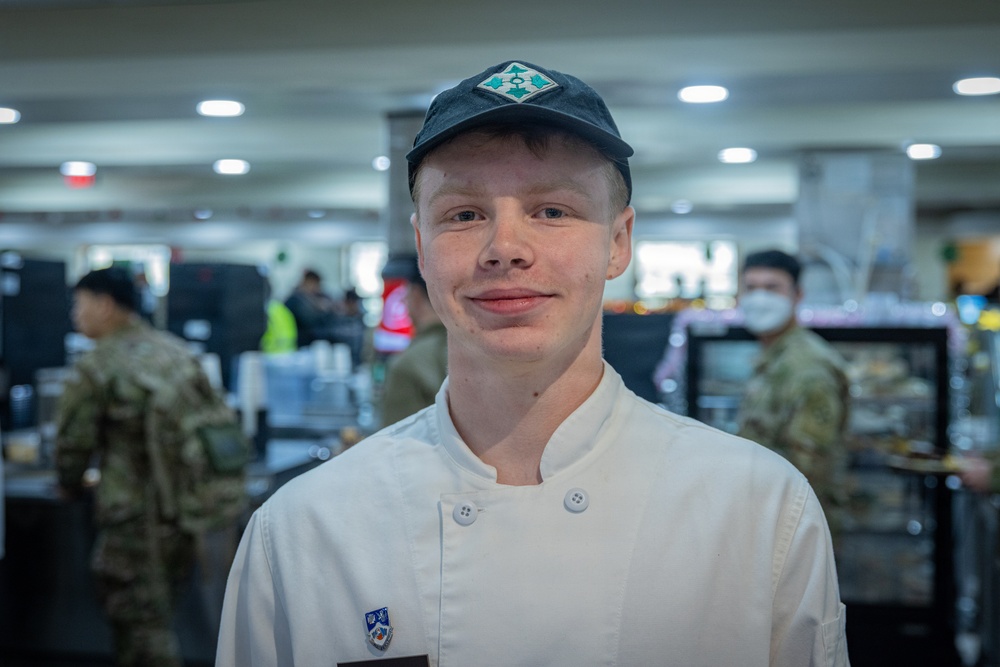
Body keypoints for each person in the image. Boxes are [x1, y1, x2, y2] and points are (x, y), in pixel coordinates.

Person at [216, 60, 848, 665]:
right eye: (463, 215)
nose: (505, 249)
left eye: (553, 211)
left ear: (618, 242)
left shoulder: (759, 511)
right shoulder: (302, 532)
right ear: (423, 248)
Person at [54, 267, 209, 666]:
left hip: (131, 521)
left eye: (80, 303)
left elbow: (72, 445)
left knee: (140, 630)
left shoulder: (99, 365)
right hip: (184, 514)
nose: (76, 314)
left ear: (105, 305)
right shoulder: (176, 353)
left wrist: (69, 485)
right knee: (160, 616)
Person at [736, 249, 851, 543]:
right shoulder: (775, 358)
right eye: (751, 288)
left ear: (797, 295)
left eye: (772, 288)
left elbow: (808, 470)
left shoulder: (807, 367)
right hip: (768, 520)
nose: (759, 298)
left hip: (794, 531)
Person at [379, 257, 447, 426]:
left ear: (416, 295)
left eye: (405, 294)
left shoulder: (407, 365)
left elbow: (395, 443)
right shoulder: (479, 353)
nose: (404, 302)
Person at [283, 268, 338, 346]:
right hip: (300, 341)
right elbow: (309, 320)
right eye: (316, 284)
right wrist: (321, 309)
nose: (318, 289)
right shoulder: (295, 300)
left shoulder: (313, 298)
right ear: (308, 282)